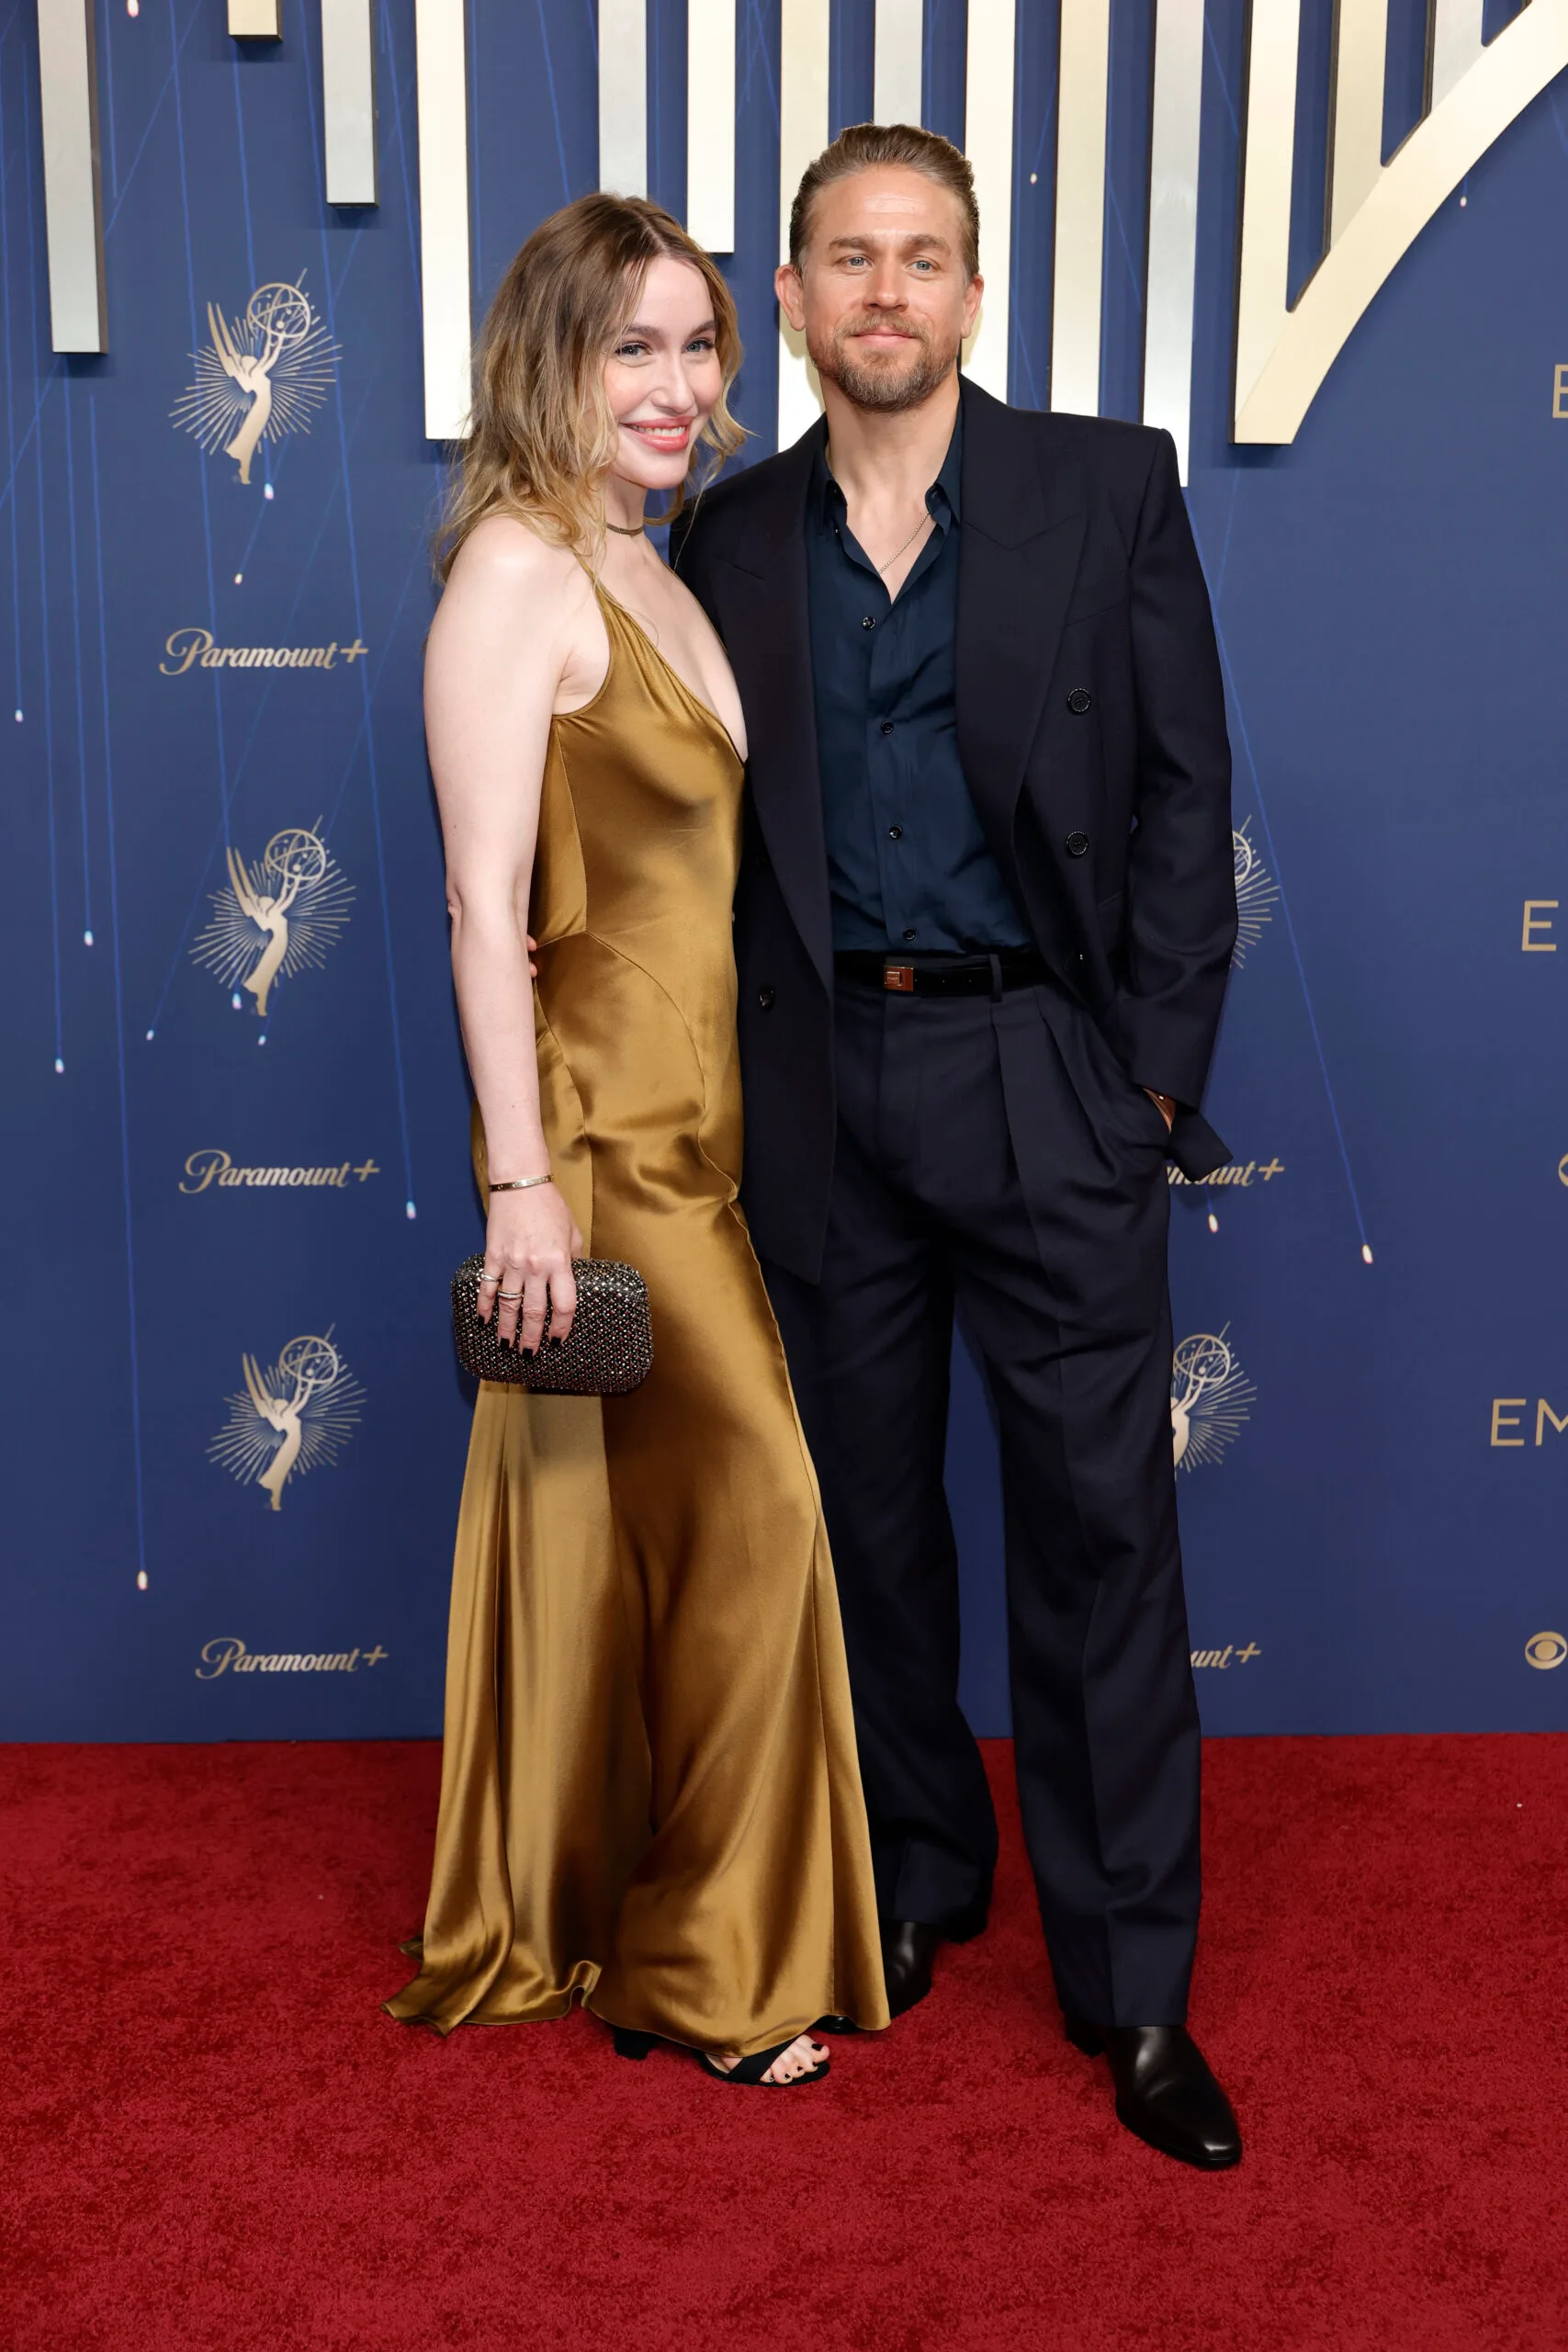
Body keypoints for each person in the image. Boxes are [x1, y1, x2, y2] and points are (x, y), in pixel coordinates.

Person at [673, 124, 1242, 2165]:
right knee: (868, 1523)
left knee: (1101, 1536)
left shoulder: (1107, 485)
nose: (887, 290)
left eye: (923, 256)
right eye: (848, 257)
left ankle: (1134, 1987)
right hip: (828, 1086)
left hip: (1045, 1076)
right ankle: (921, 1868)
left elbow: (1186, 790)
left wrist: (1149, 1083)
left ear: (974, 292)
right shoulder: (726, 538)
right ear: (802, 298)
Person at [387, 193, 888, 2086]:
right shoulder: (521, 571)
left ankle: (628, 1902)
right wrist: (520, 1179)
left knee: (670, 1543)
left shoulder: (655, 559)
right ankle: (704, 1963)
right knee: (760, 1511)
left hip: (709, 1144)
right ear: (550, 361)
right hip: (601, 1157)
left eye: (698, 347)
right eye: (635, 350)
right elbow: (475, 899)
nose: (680, 387)